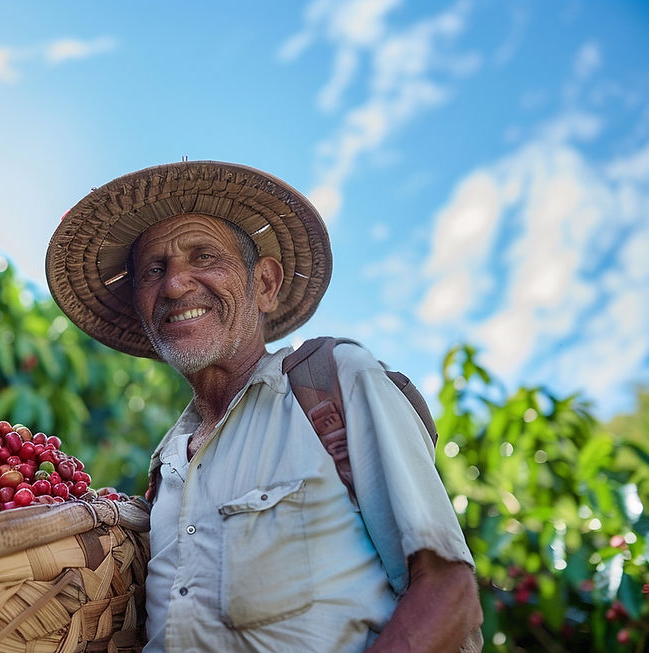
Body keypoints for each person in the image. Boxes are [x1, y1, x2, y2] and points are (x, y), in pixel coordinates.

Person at [45, 160, 483, 652]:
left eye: (205, 257)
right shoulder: (166, 468)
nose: (174, 285)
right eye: (154, 270)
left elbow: (449, 592)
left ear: (266, 285)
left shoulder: (336, 381)